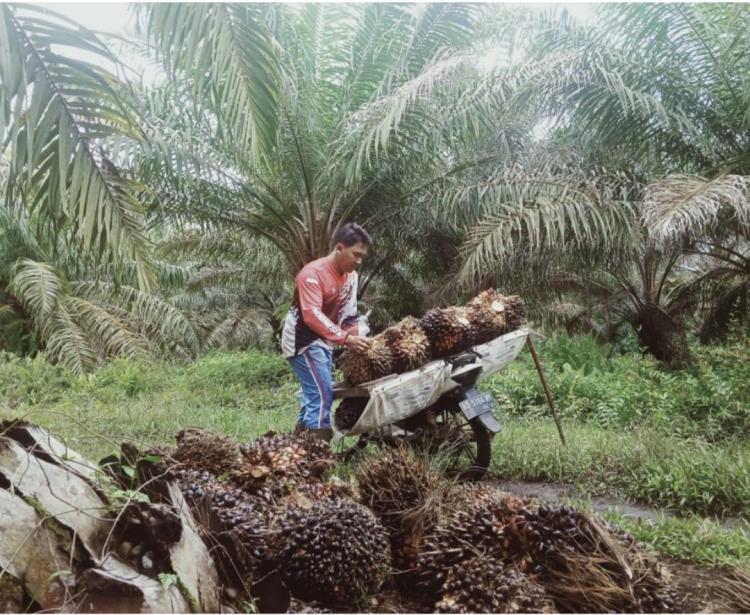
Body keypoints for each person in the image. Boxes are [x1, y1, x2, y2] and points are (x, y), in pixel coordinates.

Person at [281, 223, 372, 439]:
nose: (358, 261)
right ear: (339, 248)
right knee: (322, 394)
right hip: (302, 339)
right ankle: (317, 456)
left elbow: (349, 315)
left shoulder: (351, 277)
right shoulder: (312, 274)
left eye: (362, 257)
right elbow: (311, 314)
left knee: (315, 393)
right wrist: (345, 338)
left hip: (324, 339)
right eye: (355, 254)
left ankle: (297, 449)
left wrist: (359, 339)